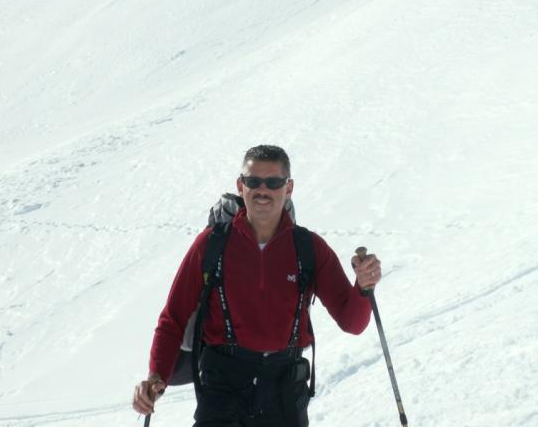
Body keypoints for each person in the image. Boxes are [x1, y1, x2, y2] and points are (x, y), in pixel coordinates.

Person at [133, 145, 382, 427]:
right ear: (241, 186)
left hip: (284, 390)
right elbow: (173, 319)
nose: (263, 190)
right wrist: (156, 377)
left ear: (289, 188)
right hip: (222, 386)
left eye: (273, 182)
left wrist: (363, 287)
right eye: (254, 181)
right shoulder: (211, 244)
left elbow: (352, 322)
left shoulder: (309, 248)